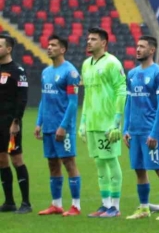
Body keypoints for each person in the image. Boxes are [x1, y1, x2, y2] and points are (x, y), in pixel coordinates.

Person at [122, 35, 159, 221]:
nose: (137, 49)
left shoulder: (158, 73)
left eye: (142, 46)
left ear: (151, 50)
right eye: (137, 46)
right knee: (139, 169)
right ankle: (144, 208)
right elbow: (128, 102)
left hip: (149, 130)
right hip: (134, 131)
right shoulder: (132, 74)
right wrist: (125, 129)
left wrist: (154, 131)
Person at [79, 28, 126, 218]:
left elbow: (122, 91)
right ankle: (105, 204)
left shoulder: (112, 63)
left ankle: (115, 206)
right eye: (88, 38)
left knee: (110, 160)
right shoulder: (85, 64)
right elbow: (87, 95)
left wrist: (116, 122)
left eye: (93, 39)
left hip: (107, 123)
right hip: (92, 122)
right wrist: (82, 121)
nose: (89, 42)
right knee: (99, 163)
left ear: (104, 43)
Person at [34, 36, 81, 216]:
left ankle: (76, 206)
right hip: (48, 127)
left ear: (63, 50)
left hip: (63, 128)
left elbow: (72, 103)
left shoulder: (71, 73)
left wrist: (63, 126)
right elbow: (43, 100)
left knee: (69, 163)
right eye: (48, 45)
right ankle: (56, 204)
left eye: (53, 45)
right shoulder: (45, 72)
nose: (49, 47)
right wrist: (39, 122)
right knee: (52, 164)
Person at [0, 35, 31, 214]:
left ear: (9, 49)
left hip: (10, 124)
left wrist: (16, 122)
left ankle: (26, 203)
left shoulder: (17, 70)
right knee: (1, 160)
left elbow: (22, 98)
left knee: (16, 159)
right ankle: (9, 202)